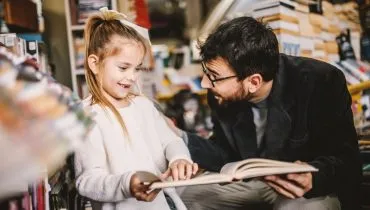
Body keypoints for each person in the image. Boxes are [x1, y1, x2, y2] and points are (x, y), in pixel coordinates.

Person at [167, 16, 361, 210]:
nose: (204, 84)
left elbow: (348, 160)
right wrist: (179, 137)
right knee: (181, 196)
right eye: (206, 72)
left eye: (214, 77)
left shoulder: (321, 81)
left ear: (253, 82)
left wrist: (313, 178)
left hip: (308, 189)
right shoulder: (221, 95)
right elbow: (224, 151)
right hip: (255, 183)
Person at [74, 8, 198, 210]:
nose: (132, 77)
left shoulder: (144, 105)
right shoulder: (88, 115)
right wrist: (127, 183)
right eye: (123, 68)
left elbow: (171, 141)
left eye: (137, 68)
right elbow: (87, 181)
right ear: (95, 64)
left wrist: (179, 159)